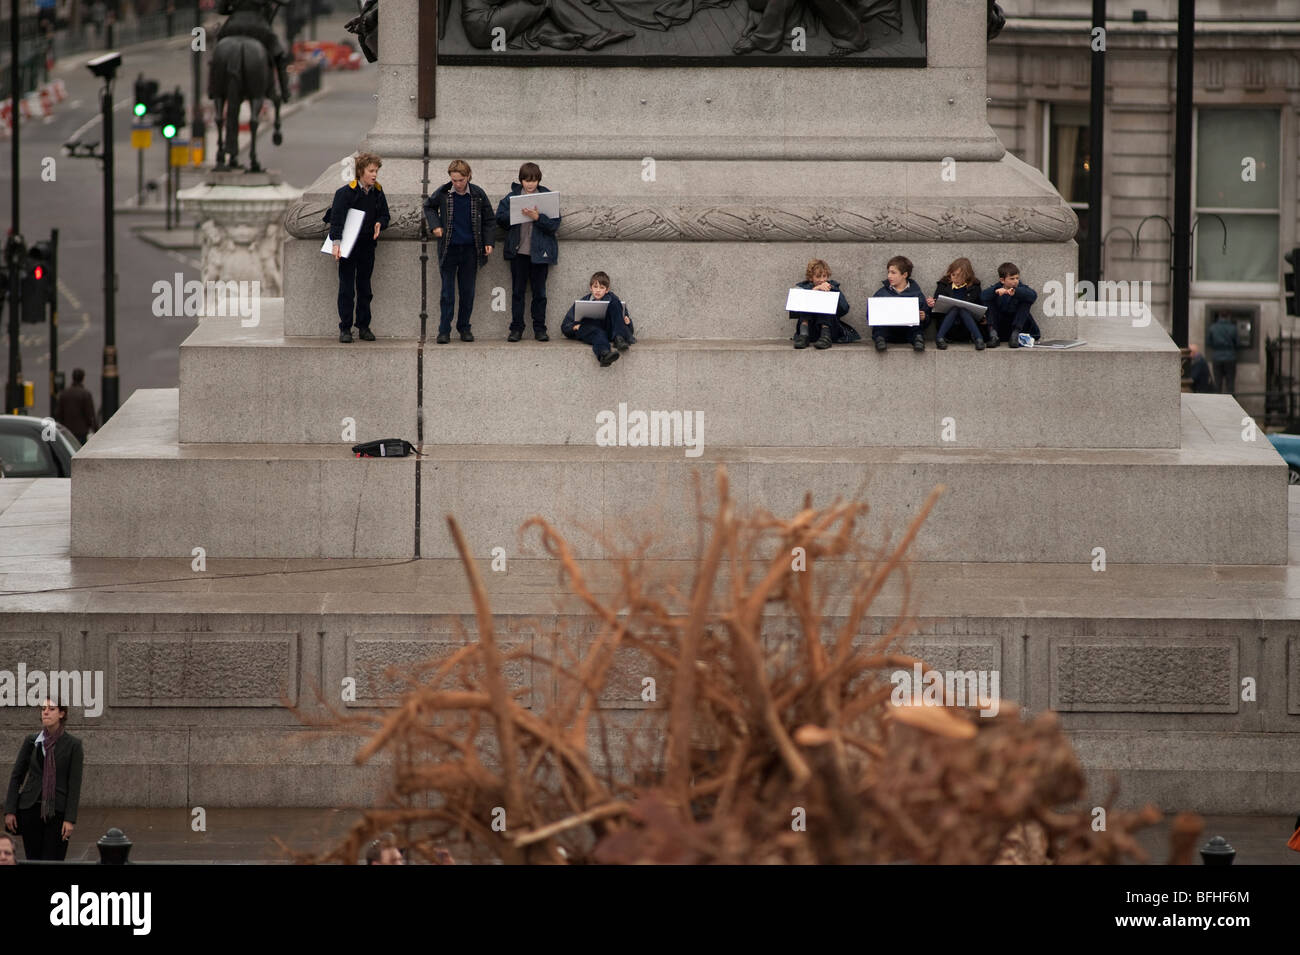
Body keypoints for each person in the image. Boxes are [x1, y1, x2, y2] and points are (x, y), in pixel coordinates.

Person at [424, 160, 495, 345]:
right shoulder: (444, 192)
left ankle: (464, 327)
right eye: (454, 180)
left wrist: (489, 242)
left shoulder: (478, 194)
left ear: (468, 176)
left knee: (467, 292)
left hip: (471, 250)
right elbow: (428, 206)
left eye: (461, 180)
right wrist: (435, 226)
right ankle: (444, 330)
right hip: (449, 249)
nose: (457, 184)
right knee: (447, 293)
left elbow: (489, 219)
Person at [4, 699, 84, 862]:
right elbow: (17, 776)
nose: (45, 712)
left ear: (61, 714)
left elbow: (74, 785)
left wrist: (70, 819)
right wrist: (10, 809)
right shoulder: (32, 741)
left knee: (53, 859)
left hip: (57, 812)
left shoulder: (73, 745)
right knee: (33, 859)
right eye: (43, 709)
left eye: (51, 709)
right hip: (30, 809)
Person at [327, 153, 390, 344]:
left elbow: (385, 215)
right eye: (371, 171)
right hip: (348, 247)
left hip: (367, 246)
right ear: (361, 171)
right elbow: (336, 221)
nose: (374, 175)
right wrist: (336, 244)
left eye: (376, 171)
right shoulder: (345, 193)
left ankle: (363, 326)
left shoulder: (378, 192)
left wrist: (380, 222)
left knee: (365, 288)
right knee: (346, 289)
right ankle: (345, 328)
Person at [495, 162, 560, 342]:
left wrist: (537, 218)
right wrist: (516, 214)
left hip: (540, 254)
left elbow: (554, 224)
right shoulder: (512, 196)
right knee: (518, 292)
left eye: (533, 180)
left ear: (538, 180)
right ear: (521, 180)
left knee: (540, 293)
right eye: (526, 180)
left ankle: (540, 328)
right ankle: (516, 329)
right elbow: (499, 218)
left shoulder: (547, 196)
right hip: (518, 253)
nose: (530, 184)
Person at [216, 0, 292, 103]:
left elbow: (221, 9)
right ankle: (285, 92)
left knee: (218, 53)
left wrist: (236, 10)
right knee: (279, 56)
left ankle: (215, 87)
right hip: (257, 26)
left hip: (232, 26)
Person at [562, 271, 631, 367]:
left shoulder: (613, 300)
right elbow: (565, 326)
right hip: (591, 329)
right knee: (597, 332)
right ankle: (605, 355)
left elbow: (628, 327)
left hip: (610, 330)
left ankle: (619, 339)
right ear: (591, 288)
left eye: (602, 288)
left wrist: (627, 322)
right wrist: (574, 327)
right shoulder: (583, 301)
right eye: (595, 287)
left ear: (607, 290)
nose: (598, 290)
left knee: (615, 303)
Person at [789, 259, 859, 349]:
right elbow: (794, 308)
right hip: (811, 330)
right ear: (811, 278)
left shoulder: (832, 287)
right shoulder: (803, 288)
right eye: (818, 277)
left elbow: (844, 309)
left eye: (824, 276)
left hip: (829, 329)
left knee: (825, 300)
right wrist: (814, 290)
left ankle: (825, 337)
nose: (822, 280)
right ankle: (803, 336)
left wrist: (832, 292)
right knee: (806, 298)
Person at [870, 255, 930, 352]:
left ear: (904, 275)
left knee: (917, 329)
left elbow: (927, 318)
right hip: (888, 331)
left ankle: (918, 340)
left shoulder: (917, 293)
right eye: (888, 272)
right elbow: (870, 315)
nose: (889, 276)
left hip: (908, 332)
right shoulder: (881, 293)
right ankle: (880, 340)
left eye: (893, 273)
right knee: (879, 329)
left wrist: (924, 317)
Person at [928, 257, 989, 351]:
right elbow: (935, 312)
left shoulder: (974, 287)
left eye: (960, 276)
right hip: (948, 327)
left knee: (962, 308)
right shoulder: (943, 285)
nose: (956, 279)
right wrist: (932, 304)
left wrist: (984, 317)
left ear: (967, 276)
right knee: (955, 308)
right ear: (950, 273)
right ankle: (939, 338)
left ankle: (979, 339)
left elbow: (979, 308)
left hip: (967, 327)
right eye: (953, 275)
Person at [980, 262, 1040, 348]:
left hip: (1018, 327)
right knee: (989, 299)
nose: (1015, 281)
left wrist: (1016, 292)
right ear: (1002, 280)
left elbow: (1033, 296)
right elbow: (983, 296)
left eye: (1017, 278)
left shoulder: (1021, 288)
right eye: (1012, 279)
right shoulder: (997, 287)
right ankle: (993, 335)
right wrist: (995, 292)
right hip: (1000, 327)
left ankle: (1015, 335)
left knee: (1026, 299)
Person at [53, 368, 99, 443]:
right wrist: (95, 429)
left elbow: (58, 413)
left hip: (67, 430)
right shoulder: (85, 394)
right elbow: (90, 414)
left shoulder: (64, 393)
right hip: (81, 431)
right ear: (83, 378)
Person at [1207, 313, 1239, 394]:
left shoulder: (1213, 327)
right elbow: (1237, 343)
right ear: (1228, 316)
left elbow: (1208, 342)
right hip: (1230, 357)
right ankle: (1231, 404)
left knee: (1217, 383)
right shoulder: (1233, 328)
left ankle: (1217, 403)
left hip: (1217, 357)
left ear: (1219, 316)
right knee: (1230, 384)